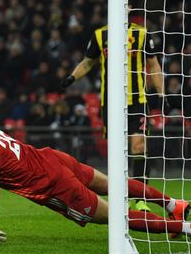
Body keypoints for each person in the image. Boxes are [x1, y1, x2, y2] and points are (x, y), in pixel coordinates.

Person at [0, 56, 191, 244]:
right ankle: (174, 204)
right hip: (51, 157)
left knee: (116, 218)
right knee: (113, 185)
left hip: (53, 183)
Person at [61, 21, 165, 209]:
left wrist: (161, 92)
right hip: (111, 103)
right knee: (117, 150)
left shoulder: (141, 34)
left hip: (137, 100)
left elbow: (154, 64)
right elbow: (88, 62)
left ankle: (140, 198)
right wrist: (72, 77)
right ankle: (121, 197)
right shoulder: (100, 35)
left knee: (139, 145)